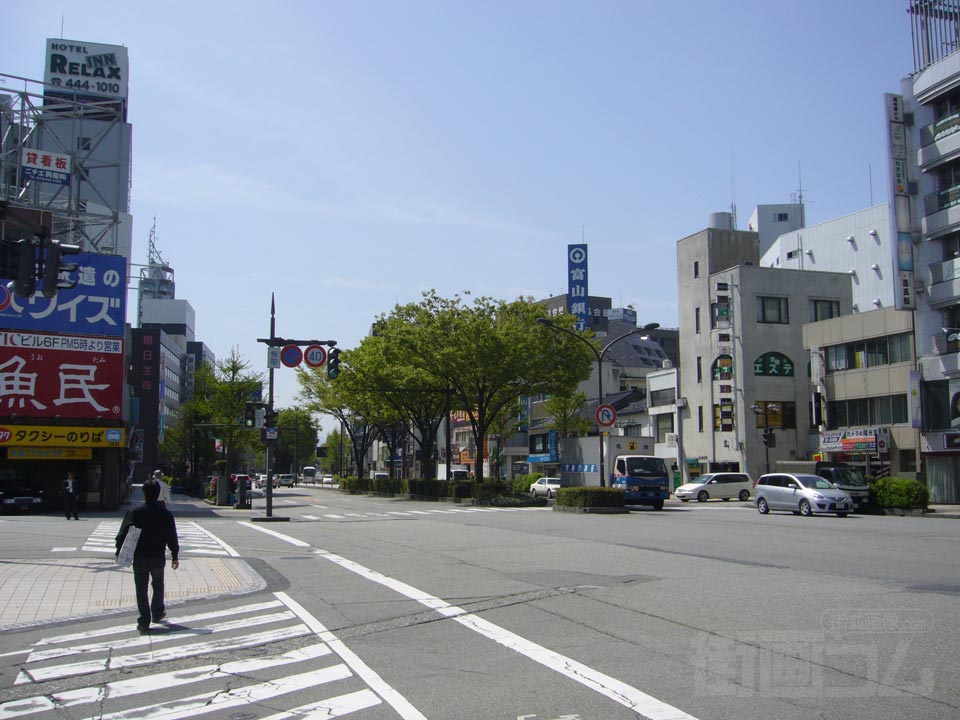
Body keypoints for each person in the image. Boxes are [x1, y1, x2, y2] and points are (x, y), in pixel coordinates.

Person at [115, 479, 180, 633]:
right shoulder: (166, 514)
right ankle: (157, 613)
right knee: (158, 585)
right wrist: (175, 555)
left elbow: (123, 533)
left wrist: (119, 550)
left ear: (144, 493)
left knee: (141, 588)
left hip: (140, 556)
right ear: (158, 494)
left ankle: (144, 621)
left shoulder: (136, 513)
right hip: (158, 555)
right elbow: (172, 536)